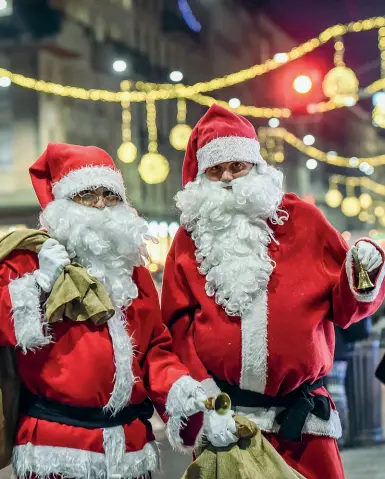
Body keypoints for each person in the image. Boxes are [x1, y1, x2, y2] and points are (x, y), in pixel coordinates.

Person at [161, 104, 385, 479]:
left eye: (237, 166)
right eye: (216, 171)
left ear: (257, 167)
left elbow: (348, 310)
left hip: (305, 426)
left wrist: (365, 270)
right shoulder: (189, 239)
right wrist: (205, 405)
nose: (228, 178)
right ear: (202, 178)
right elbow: (177, 327)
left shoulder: (305, 221)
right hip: (228, 424)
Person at [0, 143, 208, 479]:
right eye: (87, 195)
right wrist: (38, 283)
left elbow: (154, 347)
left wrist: (178, 390)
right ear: (63, 204)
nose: (100, 205)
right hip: (57, 451)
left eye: (109, 196)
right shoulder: (29, 259)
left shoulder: (133, 268)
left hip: (129, 449)